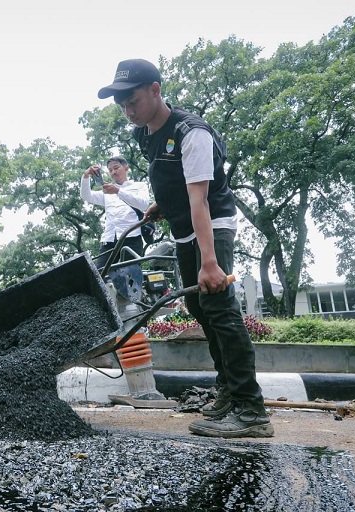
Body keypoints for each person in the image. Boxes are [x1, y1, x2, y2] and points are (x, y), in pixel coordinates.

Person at [98, 58, 273, 438]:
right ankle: (228, 391)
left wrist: (210, 263)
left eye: (133, 101)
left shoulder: (193, 132)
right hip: (183, 227)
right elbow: (173, 179)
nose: (128, 110)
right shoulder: (145, 132)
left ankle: (251, 409)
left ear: (156, 90)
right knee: (198, 306)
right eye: (121, 104)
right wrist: (162, 204)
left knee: (219, 305)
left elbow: (200, 200)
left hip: (211, 224)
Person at [80, 156, 151, 269]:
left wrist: (117, 191)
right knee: (100, 276)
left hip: (131, 237)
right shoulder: (106, 191)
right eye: (110, 170)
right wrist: (86, 175)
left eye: (116, 168)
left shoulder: (139, 186)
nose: (113, 172)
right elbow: (86, 196)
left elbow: (143, 204)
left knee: (130, 277)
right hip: (109, 239)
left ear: (126, 168)